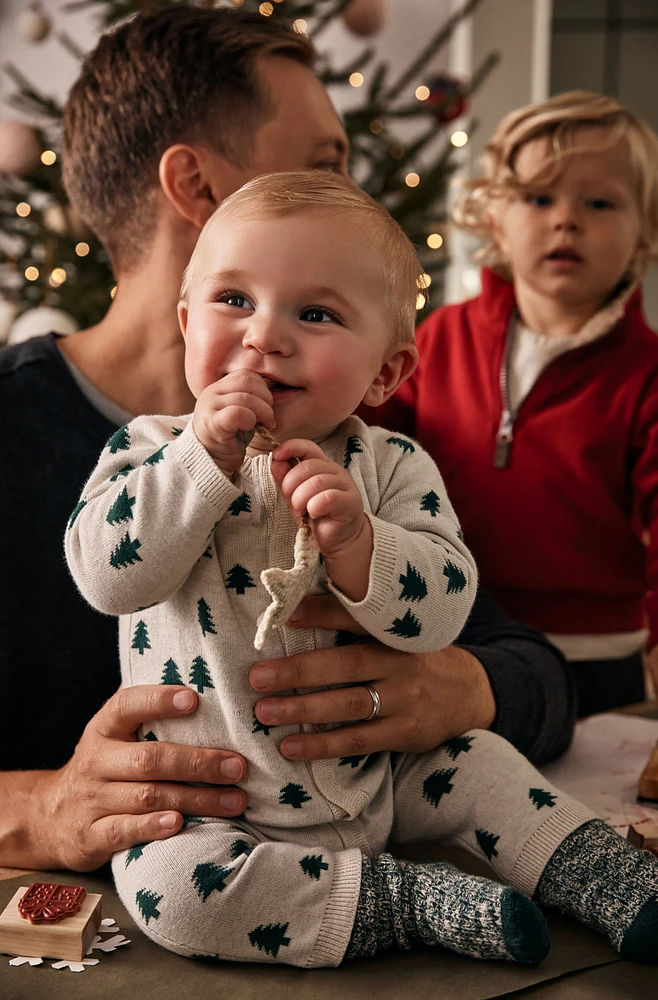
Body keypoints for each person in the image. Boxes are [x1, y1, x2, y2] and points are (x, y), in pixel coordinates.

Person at [0, 6, 573, 876]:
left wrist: (463, 688)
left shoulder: (356, 440)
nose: (362, 201)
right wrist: (34, 809)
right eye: (327, 167)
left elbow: (531, 666)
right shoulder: (22, 432)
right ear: (197, 190)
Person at [65, 172, 658, 968]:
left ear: (386, 373)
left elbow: (446, 607)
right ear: (184, 322)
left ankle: (601, 875)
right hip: (219, 805)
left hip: (386, 773)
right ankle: (403, 902)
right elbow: (109, 576)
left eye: (315, 314)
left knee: (481, 762)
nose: (264, 337)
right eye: (233, 300)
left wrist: (362, 547)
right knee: (169, 889)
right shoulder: (146, 451)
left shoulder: (392, 466)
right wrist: (198, 462)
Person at [373, 91, 658, 717]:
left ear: (645, 233)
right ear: (496, 217)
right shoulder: (440, 337)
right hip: (460, 636)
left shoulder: (647, 373)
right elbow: (368, 441)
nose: (567, 220)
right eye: (539, 198)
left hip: (595, 661)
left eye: (600, 203)